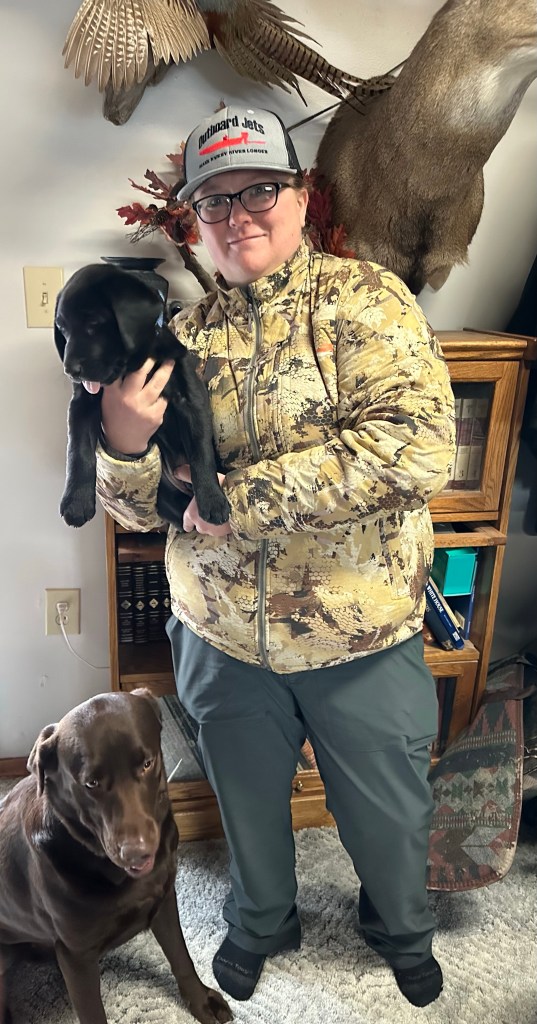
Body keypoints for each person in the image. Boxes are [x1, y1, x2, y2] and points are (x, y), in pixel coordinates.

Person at [94, 104, 456, 1008]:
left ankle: (401, 928)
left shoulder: (366, 301)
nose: (238, 215)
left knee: (389, 816)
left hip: (358, 634)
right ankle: (261, 922)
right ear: (192, 220)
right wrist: (123, 441)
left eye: (259, 189)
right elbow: (136, 509)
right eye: (214, 201)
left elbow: (415, 448)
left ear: (301, 196)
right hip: (220, 640)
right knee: (247, 810)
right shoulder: (180, 338)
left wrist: (235, 502)